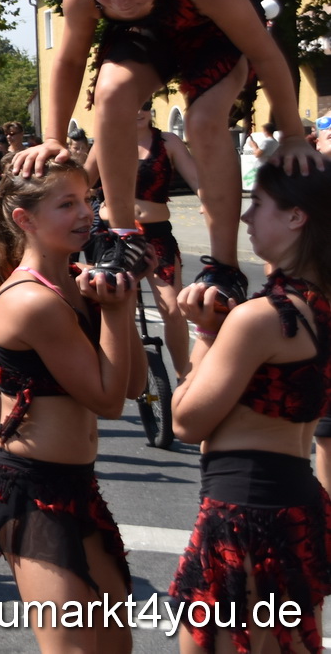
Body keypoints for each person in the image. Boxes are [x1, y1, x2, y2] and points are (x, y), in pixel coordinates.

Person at [17, 0, 323, 302]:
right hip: (150, 34)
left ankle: (224, 265)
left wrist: (291, 135)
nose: (119, 2)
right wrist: (52, 138)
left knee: (202, 120)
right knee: (111, 92)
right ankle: (124, 236)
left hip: (213, 33)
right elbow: (69, 63)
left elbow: (265, 55)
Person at [0, 157, 144, 654]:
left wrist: (119, 303)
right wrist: (114, 308)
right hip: (30, 487)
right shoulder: (31, 300)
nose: (86, 213)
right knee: (70, 649)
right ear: (24, 220)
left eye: (87, 199)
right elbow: (109, 402)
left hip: (77, 484)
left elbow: (131, 386)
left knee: (114, 645)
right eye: (66, 204)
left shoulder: (75, 278)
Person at [168, 162, 331, 654]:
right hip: (292, 505)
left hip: (246, 516)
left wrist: (204, 334)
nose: (245, 218)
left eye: (258, 205)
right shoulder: (318, 306)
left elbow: (185, 420)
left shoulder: (262, 318)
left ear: (297, 217)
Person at [85, 103, 201, 379]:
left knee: (172, 307)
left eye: (146, 105)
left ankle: (183, 373)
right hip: (113, 236)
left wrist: (209, 202)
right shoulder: (106, 138)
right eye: (131, 103)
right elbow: (81, 181)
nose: (138, 110)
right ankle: (122, 370)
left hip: (155, 233)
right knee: (117, 307)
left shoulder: (167, 141)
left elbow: (198, 179)